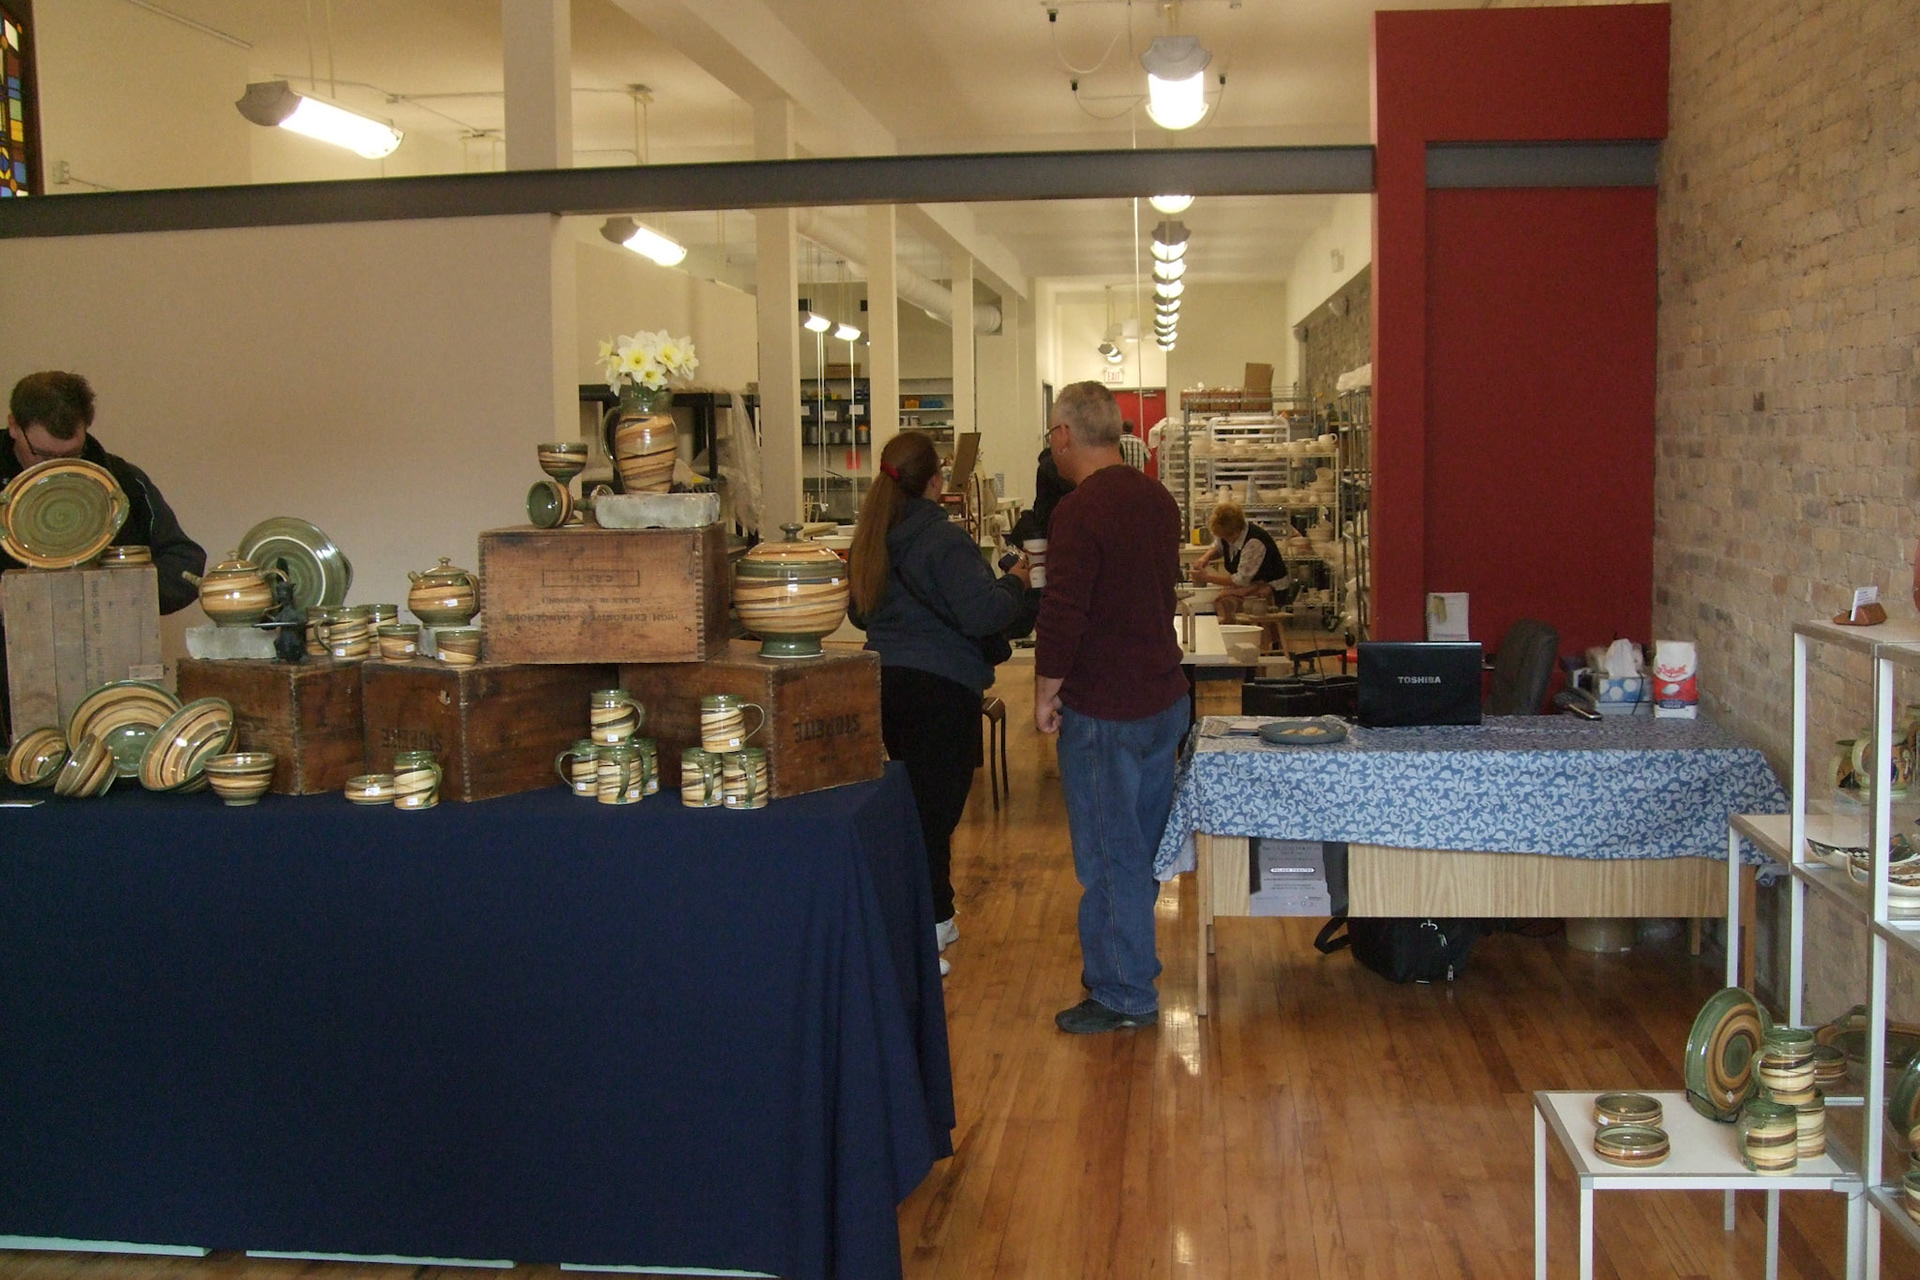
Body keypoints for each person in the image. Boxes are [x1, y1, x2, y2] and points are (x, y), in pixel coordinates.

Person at [848, 430, 1034, 978]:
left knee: (916, 806)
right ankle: (922, 932)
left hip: (886, 683)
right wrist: (1016, 583)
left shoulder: (873, 537)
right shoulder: (944, 540)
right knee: (934, 814)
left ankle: (939, 912)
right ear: (935, 481)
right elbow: (981, 615)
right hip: (941, 688)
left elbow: (860, 615)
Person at [1033, 381, 1188, 1034]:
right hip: (1163, 698)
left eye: (1050, 436)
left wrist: (1044, 693)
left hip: (1106, 709)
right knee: (1140, 852)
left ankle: (1124, 994)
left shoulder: (1078, 511)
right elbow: (1163, 590)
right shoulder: (1157, 499)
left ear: (1064, 436)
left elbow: (1064, 613)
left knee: (1108, 856)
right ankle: (1128, 968)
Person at [2, 371, 206, 613]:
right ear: (14, 426)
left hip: (107, 641)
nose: (57, 467)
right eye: (44, 455)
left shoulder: (123, 481)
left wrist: (113, 596)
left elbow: (184, 561)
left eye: (71, 455)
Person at [1190, 500, 1288, 623]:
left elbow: (1241, 580)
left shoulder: (1254, 542)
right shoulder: (1228, 535)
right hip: (1250, 583)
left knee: (1226, 601)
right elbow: (1218, 547)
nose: (1224, 539)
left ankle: (1245, 637)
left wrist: (1206, 578)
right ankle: (1228, 633)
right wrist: (1204, 558)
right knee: (1222, 598)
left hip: (1271, 587)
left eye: (1225, 536)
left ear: (1236, 531)